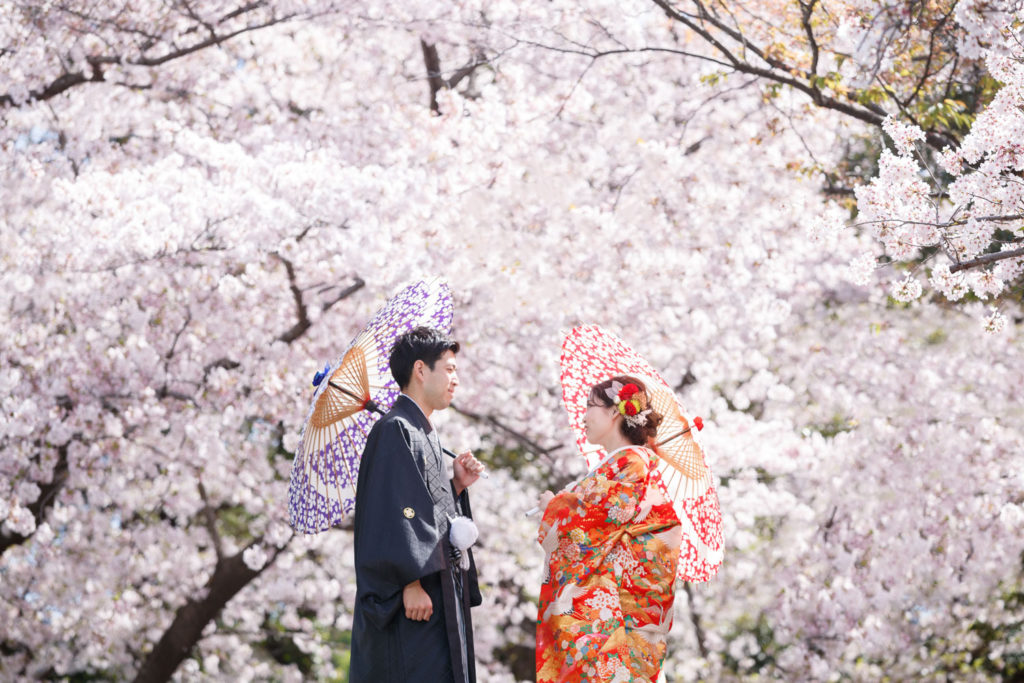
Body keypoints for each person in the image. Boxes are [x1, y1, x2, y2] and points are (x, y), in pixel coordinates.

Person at [349, 326, 486, 683]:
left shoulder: (417, 429)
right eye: (450, 369)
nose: (456, 379)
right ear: (421, 370)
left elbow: (426, 507)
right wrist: (409, 581)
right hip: (413, 598)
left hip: (436, 589)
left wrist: (455, 485)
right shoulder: (395, 428)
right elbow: (392, 509)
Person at [535, 375, 683, 683]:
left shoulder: (631, 465)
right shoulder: (624, 464)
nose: (584, 415)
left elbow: (587, 527)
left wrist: (555, 506)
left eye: (591, 406)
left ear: (616, 412)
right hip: (621, 618)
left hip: (617, 622)